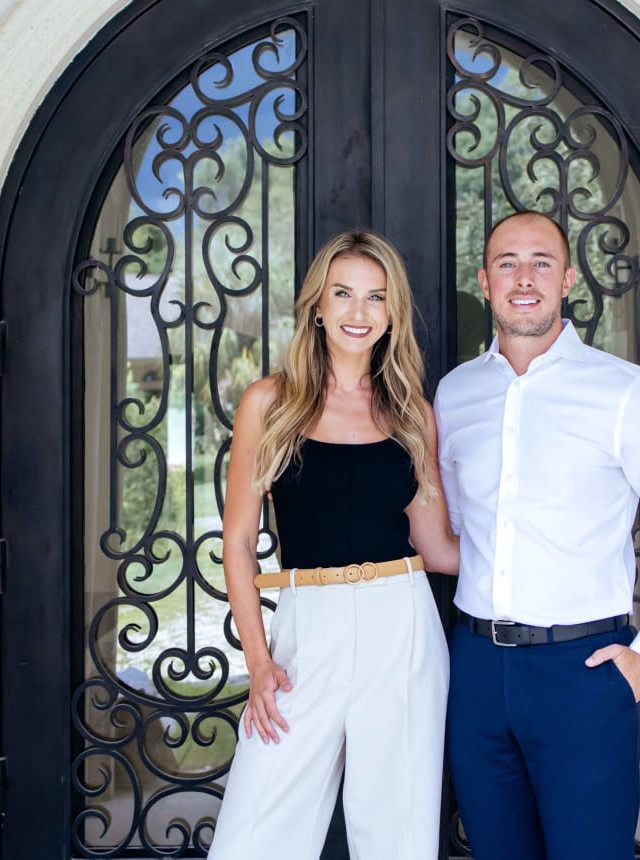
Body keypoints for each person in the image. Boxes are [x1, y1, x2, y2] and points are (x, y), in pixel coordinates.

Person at [434, 211, 640, 859]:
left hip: (582, 671)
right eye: (507, 262)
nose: (524, 277)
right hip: (477, 670)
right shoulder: (455, 395)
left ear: (566, 280)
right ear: (484, 280)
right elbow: (454, 525)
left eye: (541, 262)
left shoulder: (622, 392)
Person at [210, 229, 459, 860]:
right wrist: (259, 662)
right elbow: (237, 543)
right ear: (317, 306)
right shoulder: (269, 404)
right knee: (254, 832)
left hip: (400, 623)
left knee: (397, 832)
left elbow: (438, 549)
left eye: (375, 298)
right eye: (342, 294)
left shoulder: (411, 413)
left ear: (391, 313)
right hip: (306, 625)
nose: (358, 312)